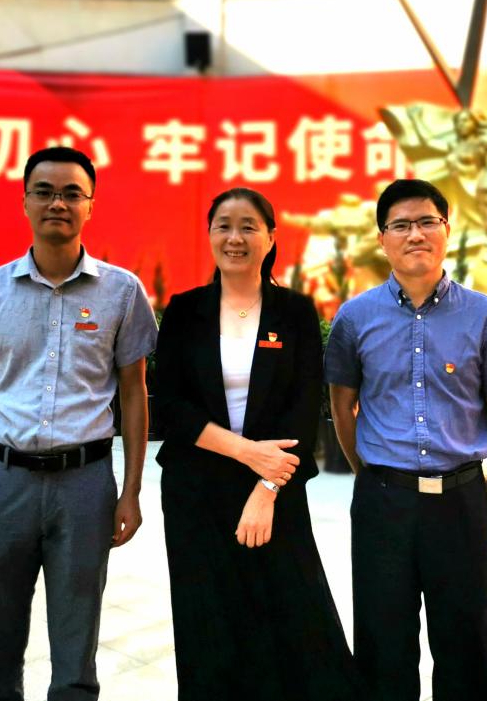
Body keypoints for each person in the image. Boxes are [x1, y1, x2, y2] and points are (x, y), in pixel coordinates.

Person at [0, 146, 158, 701]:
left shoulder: (122, 292)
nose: (57, 203)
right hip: (1, 483)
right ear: (25, 202)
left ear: (90, 206)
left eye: (71, 193)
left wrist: (130, 492)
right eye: (45, 192)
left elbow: (134, 395)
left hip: (84, 486)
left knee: (76, 649)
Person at [325, 178, 487, 701]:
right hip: (383, 503)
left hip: (461, 502)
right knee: (383, 644)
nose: (414, 234)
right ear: (382, 239)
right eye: (400, 225)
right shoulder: (354, 318)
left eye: (426, 222)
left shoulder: (484, 315)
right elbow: (341, 405)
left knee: (464, 644)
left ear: (446, 229)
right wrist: (369, 474)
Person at [155, 187, 357, 700]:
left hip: (276, 487)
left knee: (294, 619)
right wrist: (247, 452)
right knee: (207, 624)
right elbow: (171, 406)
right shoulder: (184, 311)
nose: (235, 237)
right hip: (196, 492)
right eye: (223, 225)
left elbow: (303, 408)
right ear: (209, 235)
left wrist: (266, 488)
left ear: (270, 237)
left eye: (248, 226)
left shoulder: (295, 312)